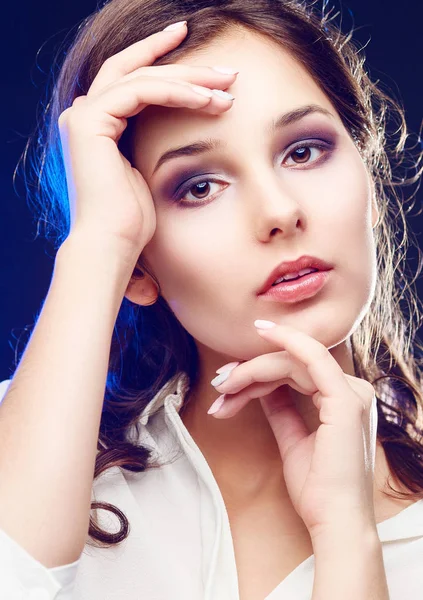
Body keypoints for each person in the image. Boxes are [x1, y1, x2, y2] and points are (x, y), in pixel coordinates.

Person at [1, 0, 423, 598]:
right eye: (199, 187)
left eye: (304, 150)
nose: (279, 211)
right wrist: (99, 244)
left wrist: (349, 541)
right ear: (139, 267)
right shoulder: (29, 456)